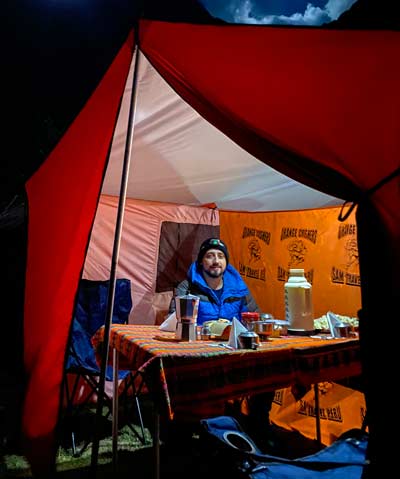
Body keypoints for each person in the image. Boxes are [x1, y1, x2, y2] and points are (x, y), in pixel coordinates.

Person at [169, 237, 275, 450]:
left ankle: (258, 426)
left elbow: (255, 316)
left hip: (234, 357)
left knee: (269, 367)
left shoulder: (239, 288)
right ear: (201, 262)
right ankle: (185, 432)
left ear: (226, 262)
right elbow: (175, 319)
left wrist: (259, 324)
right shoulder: (187, 286)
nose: (215, 261)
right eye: (209, 256)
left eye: (220, 256)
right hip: (199, 357)